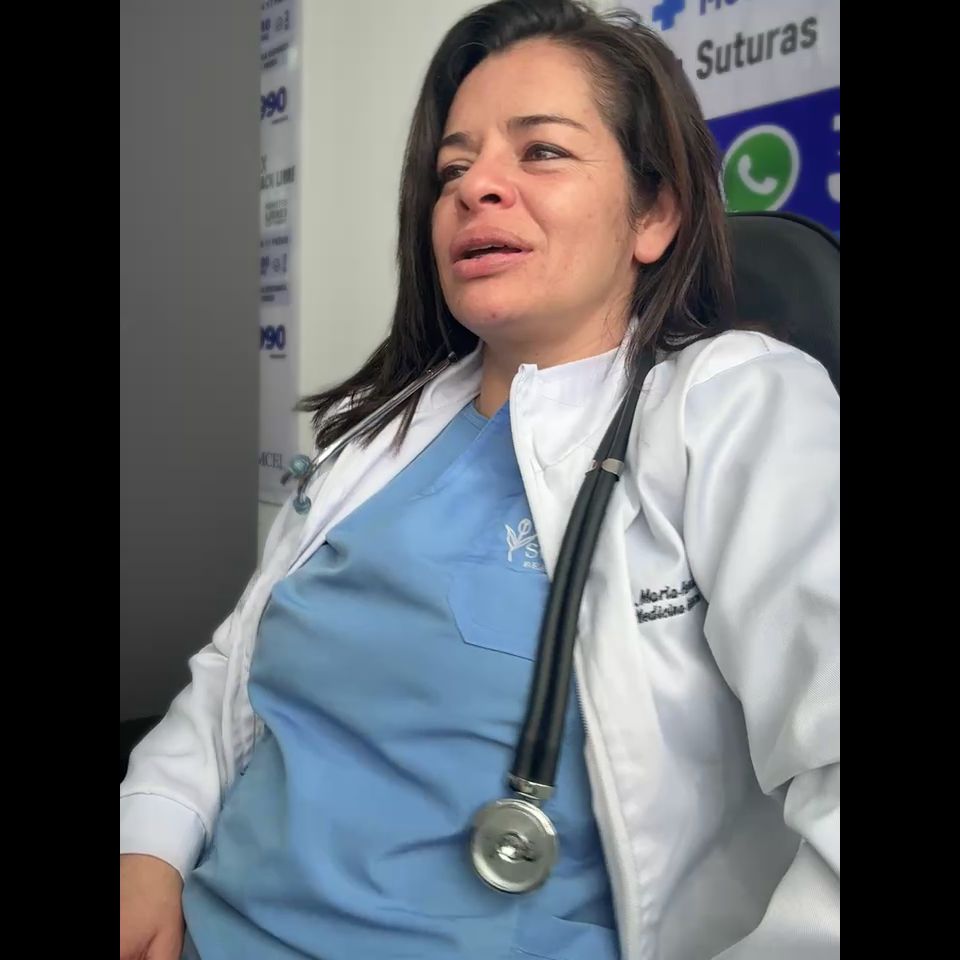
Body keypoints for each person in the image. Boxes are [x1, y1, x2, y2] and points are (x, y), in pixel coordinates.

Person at [120, 2, 840, 958]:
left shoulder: (733, 404)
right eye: (452, 170)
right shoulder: (383, 429)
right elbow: (232, 676)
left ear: (654, 213)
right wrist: (149, 842)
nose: (476, 189)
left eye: (541, 151)